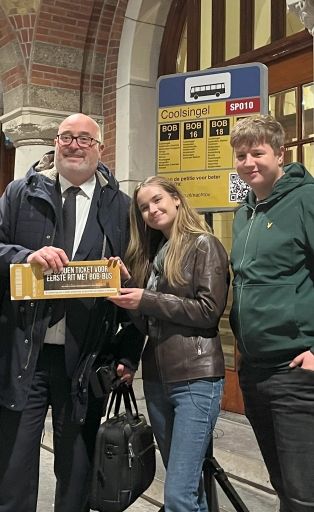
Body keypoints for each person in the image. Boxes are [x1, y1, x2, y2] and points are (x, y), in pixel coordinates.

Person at [0, 113, 146, 512]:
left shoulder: (121, 207)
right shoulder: (20, 193)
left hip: (85, 359)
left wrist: (127, 350)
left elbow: (140, 284)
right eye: (67, 137)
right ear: (55, 143)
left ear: (100, 148)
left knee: (77, 472)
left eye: (85, 139)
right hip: (25, 355)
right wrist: (25, 255)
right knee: (12, 470)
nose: (75, 145)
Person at [228, 115, 314, 512]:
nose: (249, 162)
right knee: (287, 491)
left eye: (258, 152)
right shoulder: (246, 214)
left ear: (280, 153)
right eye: (241, 155)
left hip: (305, 374)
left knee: (311, 498)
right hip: (258, 372)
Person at [107, 176, 229, 512]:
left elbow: (208, 312)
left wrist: (146, 298)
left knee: (177, 495)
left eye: (158, 200)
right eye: (144, 207)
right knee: (191, 490)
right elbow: (149, 322)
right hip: (159, 381)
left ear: (176, 199)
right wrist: (129, 288)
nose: (152, 210)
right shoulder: (157, 252)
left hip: (197, 379)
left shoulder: (204, 244)